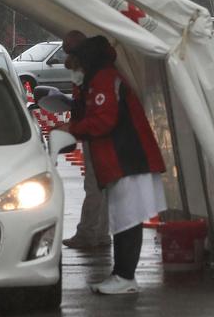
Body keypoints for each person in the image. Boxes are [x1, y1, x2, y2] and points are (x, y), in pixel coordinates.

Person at [57, 36, 165, 295]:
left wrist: (72, 129)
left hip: (127, 158)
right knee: (124, 218)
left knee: (127, 219)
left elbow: (104, 120)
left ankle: (125, 277)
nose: (75, 69)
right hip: (124, 160)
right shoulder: (100, 78)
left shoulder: (103, 79)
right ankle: (121, 274)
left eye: (76, 63)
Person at [56, 30, 111, 250]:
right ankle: (100, 232)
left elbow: (92, 110)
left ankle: (88, 233)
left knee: (94, 185)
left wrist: (74, 127)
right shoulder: (98, 69)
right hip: (100, 134)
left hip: (97, 135)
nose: (67, 56)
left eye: (68, 50)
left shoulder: (90, 72)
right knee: (102, 186)